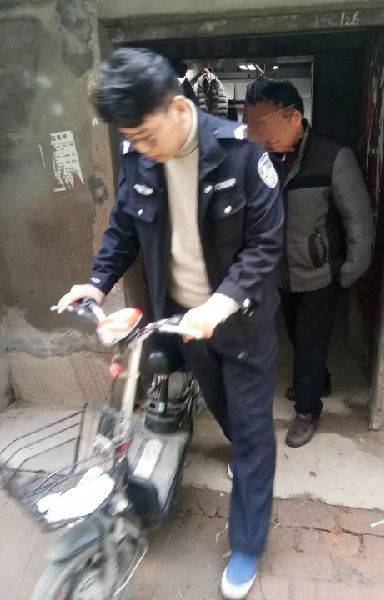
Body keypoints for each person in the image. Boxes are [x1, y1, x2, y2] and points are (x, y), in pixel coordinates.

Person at [57, 49, 283, 600]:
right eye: (129, 138)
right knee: (222, 407)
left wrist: (221, 304)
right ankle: (239, 450)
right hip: (183, 320)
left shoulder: (239, 154)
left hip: (239, 321)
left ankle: (248, 544)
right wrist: (97, 282)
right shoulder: (140, 158)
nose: (139, 148)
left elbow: (265, 245)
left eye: (144, 135)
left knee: (252, 430)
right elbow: (123, 228)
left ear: (178, 108)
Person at [245, 77, 373, 448]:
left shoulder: (333, 157)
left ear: (293, 117)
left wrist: (348, 272)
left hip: (320, 274)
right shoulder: (267, 159)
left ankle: (307, 409)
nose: (263, 135)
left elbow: (358, 220)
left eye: (268, 124)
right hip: (282, 273)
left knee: (310, 343)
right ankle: (319, 381)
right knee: (298, 338)